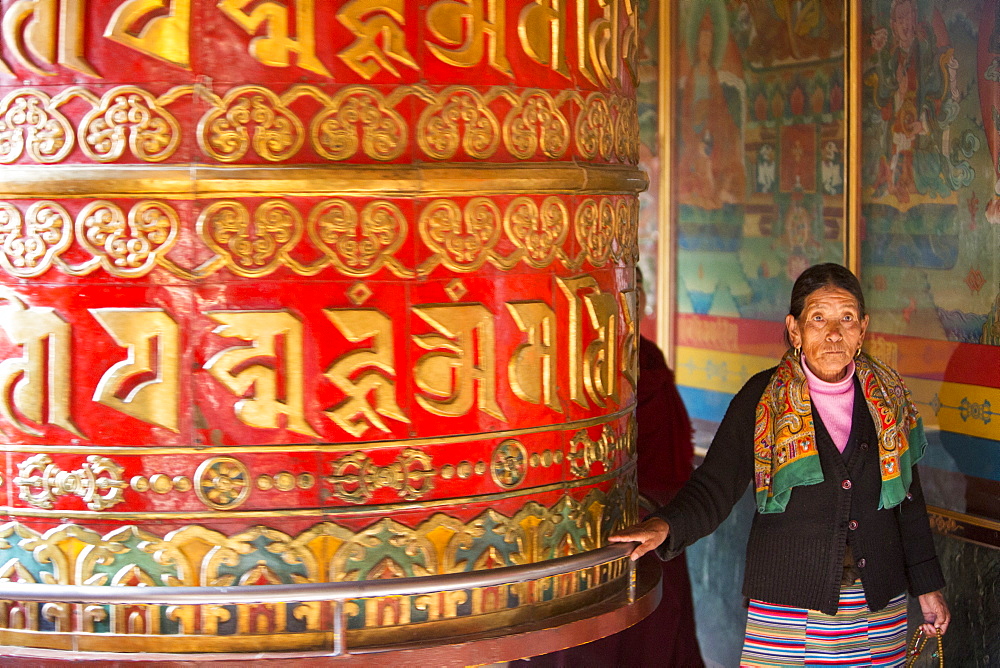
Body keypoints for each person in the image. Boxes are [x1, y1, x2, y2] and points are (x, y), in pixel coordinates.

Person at [611, 263, 950, 666]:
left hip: (878, 604)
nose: (833, 334)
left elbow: (907, 498)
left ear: (863, 328)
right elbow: (715, 486)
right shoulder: (763, 399)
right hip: (789, 606)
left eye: (846, 319)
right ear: (795, 330)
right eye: (818, 319)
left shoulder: (888, 398)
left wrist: (928, 586)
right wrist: (666, 526)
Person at [513, 268, 703, 666]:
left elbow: (668, 461)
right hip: (574, 532)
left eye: (637, 297)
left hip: (648, 527)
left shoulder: (646, 357)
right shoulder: (560, 362)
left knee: (647, 632)